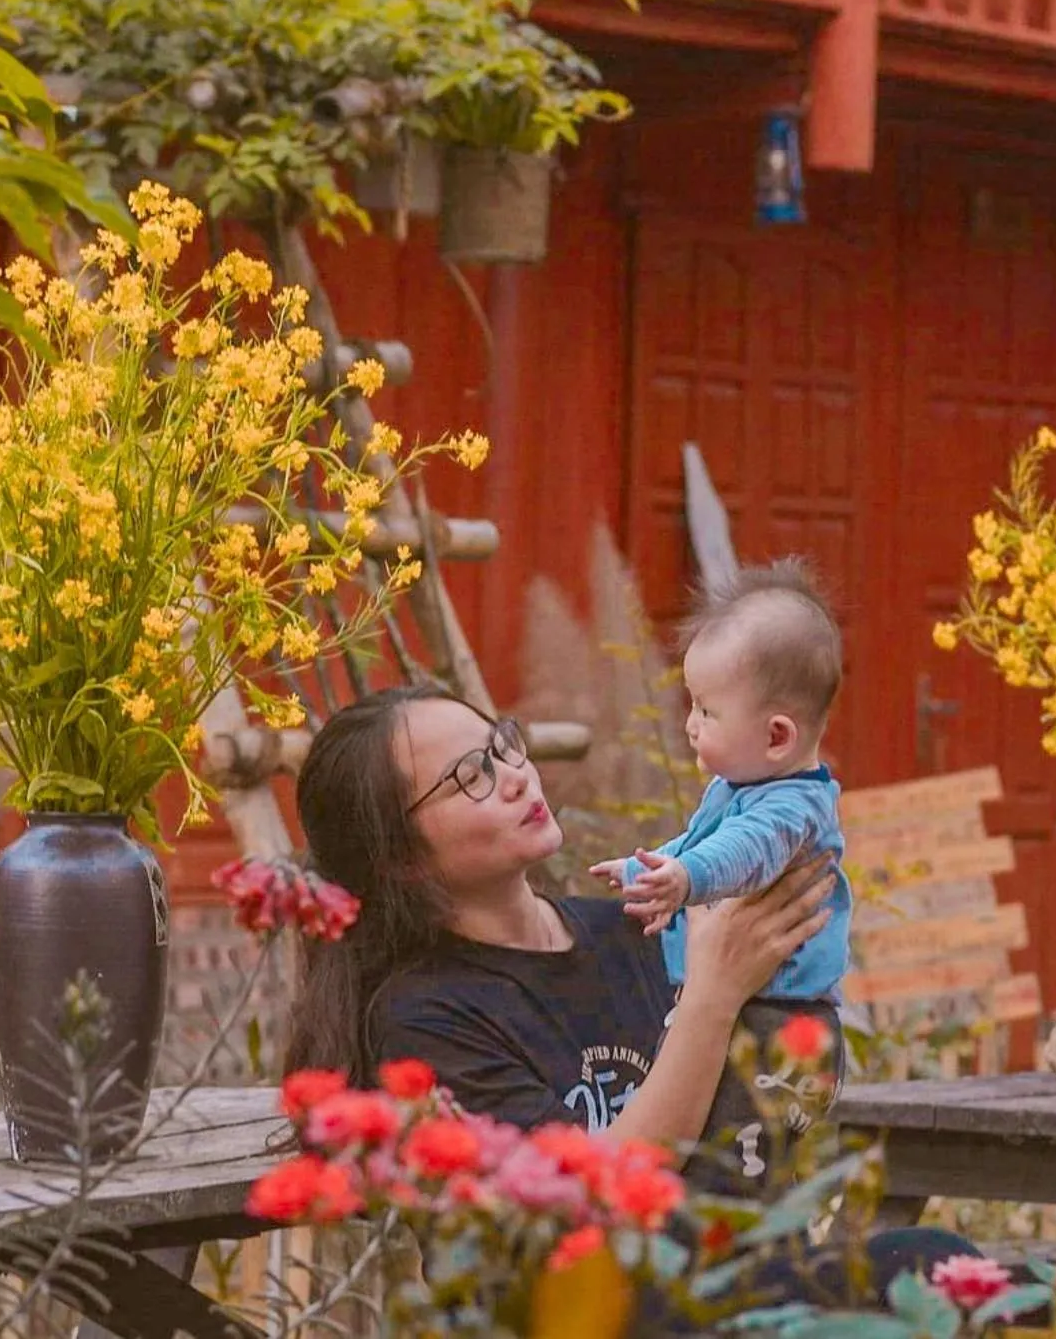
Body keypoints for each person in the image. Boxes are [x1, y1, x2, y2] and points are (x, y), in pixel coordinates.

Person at [281, 684, 974, 1321]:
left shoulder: (629, 930)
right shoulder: (424, 1020)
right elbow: (587, 1202)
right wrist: (712, 995)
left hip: (717, 1282)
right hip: (582, 1315)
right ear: (399, 858)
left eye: (502, 744)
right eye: (471, 776)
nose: (515, 774)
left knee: (937, 1266)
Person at [590, 559, 853, 1183]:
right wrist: (646, 868)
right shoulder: (739, 788)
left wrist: (685, 879)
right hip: (740, 1006)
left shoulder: (792, 808)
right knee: (707, 1143)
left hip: (781, 1023)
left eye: (706, 711)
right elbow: (696, 842)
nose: (690, 724)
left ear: (777, 736)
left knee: (742, 1166)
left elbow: (740, 853)